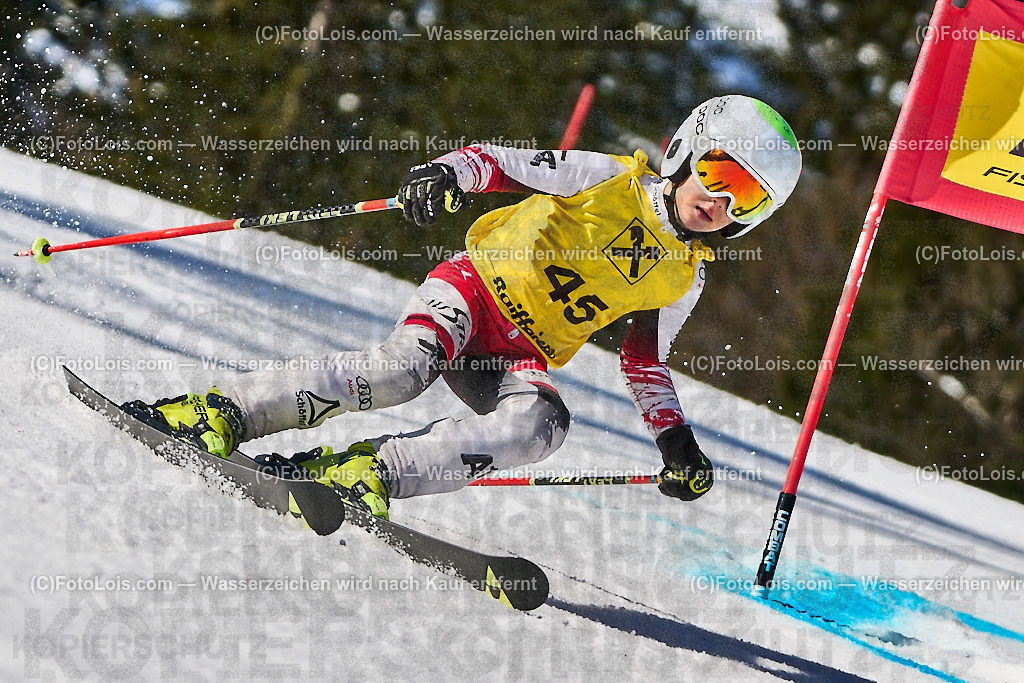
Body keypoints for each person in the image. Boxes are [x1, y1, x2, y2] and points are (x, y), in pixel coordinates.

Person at [123, 94, 802, 520]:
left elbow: (644, 364)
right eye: (721, 172)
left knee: (543, 424)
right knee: (400, 372)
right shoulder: (608, 179)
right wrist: (448, 173)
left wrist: (675, 441)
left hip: (515, 353)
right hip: (474, 291)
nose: (722, 200)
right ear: (688, 149)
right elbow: (499, 162)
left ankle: (368, 470)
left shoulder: (685, 277)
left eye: (750, 198)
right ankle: (220, 410)